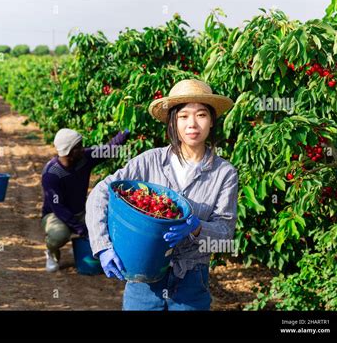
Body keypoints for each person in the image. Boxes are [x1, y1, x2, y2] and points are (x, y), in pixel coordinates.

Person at [85, 79, 238, 310]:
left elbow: (225, 233)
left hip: (191, 280)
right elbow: (101, 192)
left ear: (211, 122)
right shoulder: (149, 161)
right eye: (183, 116)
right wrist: (103, 246)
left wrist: (196, 228)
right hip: (143, 278)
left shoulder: (224, 173)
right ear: (172, 122)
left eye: (201, 115)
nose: (192, 124)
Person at [41, 128, 129, 272]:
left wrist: (124, 134)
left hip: (80, 211)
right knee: (60, 234)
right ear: (69, 151)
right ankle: (51, 251)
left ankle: (80, 247)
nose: (83, 149)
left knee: (106, 225)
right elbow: (59, 209)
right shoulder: (52, 174)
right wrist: (81, 229)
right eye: (79, 147)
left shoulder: (84, 158)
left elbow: (108, 149)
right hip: (55, 215)